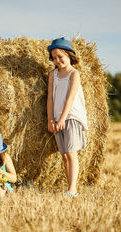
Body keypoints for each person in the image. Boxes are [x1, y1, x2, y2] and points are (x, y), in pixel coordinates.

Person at [46, 37, 88, 198]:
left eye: (60, 57)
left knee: (71, 152)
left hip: (71, 116)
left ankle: (73, 189)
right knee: (64, 155)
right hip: (57, 118)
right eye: (54, 58)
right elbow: (50, 98)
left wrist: (63, 118)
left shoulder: (74, 74)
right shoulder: (53, 74)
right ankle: (70, 188)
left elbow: (70, 98)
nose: (57, 60)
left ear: (69, 55)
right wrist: (51, 119)